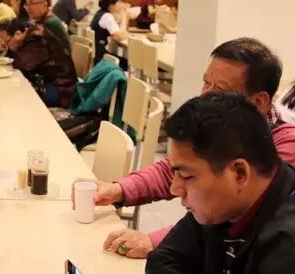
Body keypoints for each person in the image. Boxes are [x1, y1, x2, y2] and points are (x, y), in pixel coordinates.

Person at [74, 37, 295, 260]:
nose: (205, 95)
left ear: (258, 102)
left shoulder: (284, 148)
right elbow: (173, 169)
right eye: (206, 82)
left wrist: (154, 241)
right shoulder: (220, 128)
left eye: (220, 89)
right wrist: (118, 189)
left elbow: (223, 221)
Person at [145, 93, 295, 273]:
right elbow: (163, 260)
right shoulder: (220, 207)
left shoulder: (286, 246)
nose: (175, 189)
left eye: (186, 176)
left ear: (239, 173)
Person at [8, 17, 77, 108]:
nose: (4, 44)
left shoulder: (37, 38)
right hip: (47, 81)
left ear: (17, 34)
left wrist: (11, 50)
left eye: (6, 41)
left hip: (62, 88)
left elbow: (23, 66)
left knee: (20, 98)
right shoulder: (29, 34)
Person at [90, 0, 128, 64]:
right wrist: (124, 16)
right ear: (111, 5)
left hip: (97, 54)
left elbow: (118, 32)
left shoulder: (100, 12)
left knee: (121, 60)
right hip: (101, 58)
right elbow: (121, 37)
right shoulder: (107, 17)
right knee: (125, 63)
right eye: (119, 2)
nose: (121, 5)